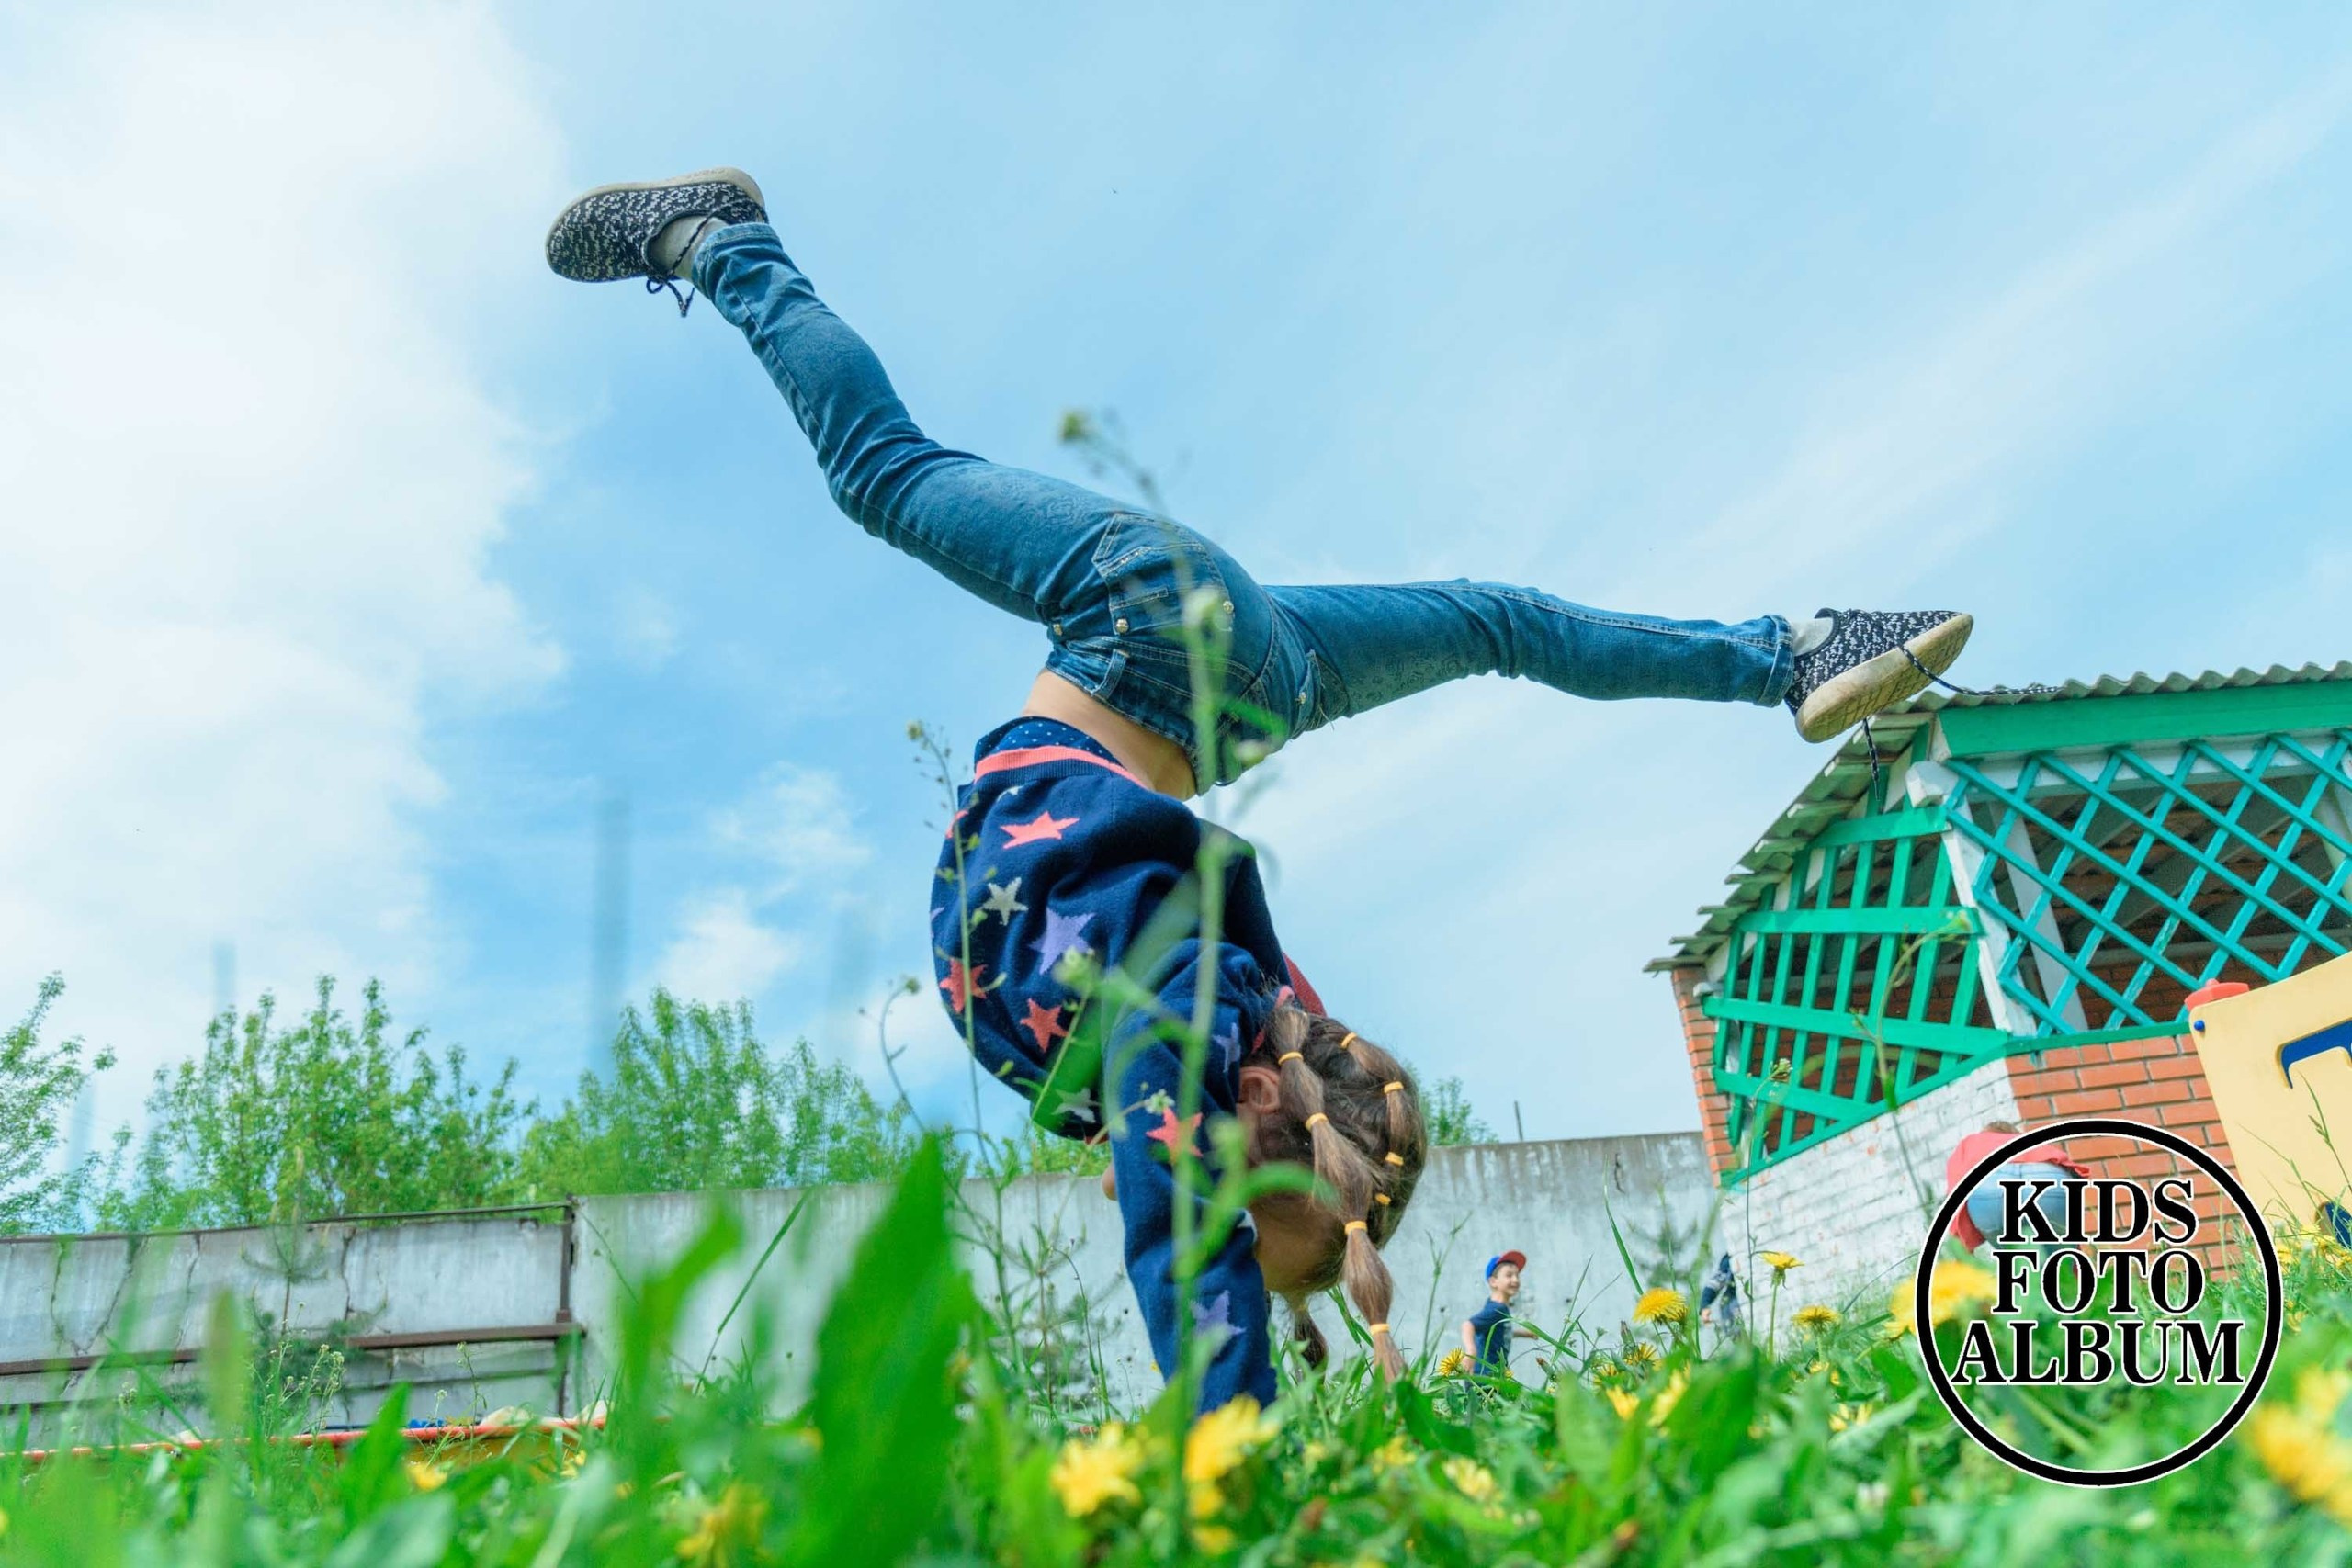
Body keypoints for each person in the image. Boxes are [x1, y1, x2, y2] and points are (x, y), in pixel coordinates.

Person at [543, 168, 1978, 1410]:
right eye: (1235, 1208)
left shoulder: (1233, 995)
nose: (1161, 1185)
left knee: (1494, 621)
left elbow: (1287, 1121)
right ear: (1233, 1119)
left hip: (1258, 686)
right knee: (884, 472)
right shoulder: (1168, 1023)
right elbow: (1186, 1230)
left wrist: (1326, 1214)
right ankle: (720, 238)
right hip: (1138, 631)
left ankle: (1790, 652)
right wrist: (1226, 1422)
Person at [1948, 1120, 2088, 1253]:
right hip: (2047, 1178)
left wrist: (1961, 1247)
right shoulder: (2034, 1144)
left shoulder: (1972, 1144)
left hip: (1993, 1184)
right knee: (2060, 1262)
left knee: (2015, 1260)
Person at [1463, 1251, 1536, 1376]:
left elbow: (1498, 1332)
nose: (1515, 1280)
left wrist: (1522, 1333)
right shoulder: (1497, 1309)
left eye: (1517, 1275)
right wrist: (1471, 1351)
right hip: (1486, 1377)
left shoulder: (1496, 1307)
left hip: (1492, 1373)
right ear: (1493, 1282)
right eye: (1509, 1275)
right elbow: (1468, 1325)